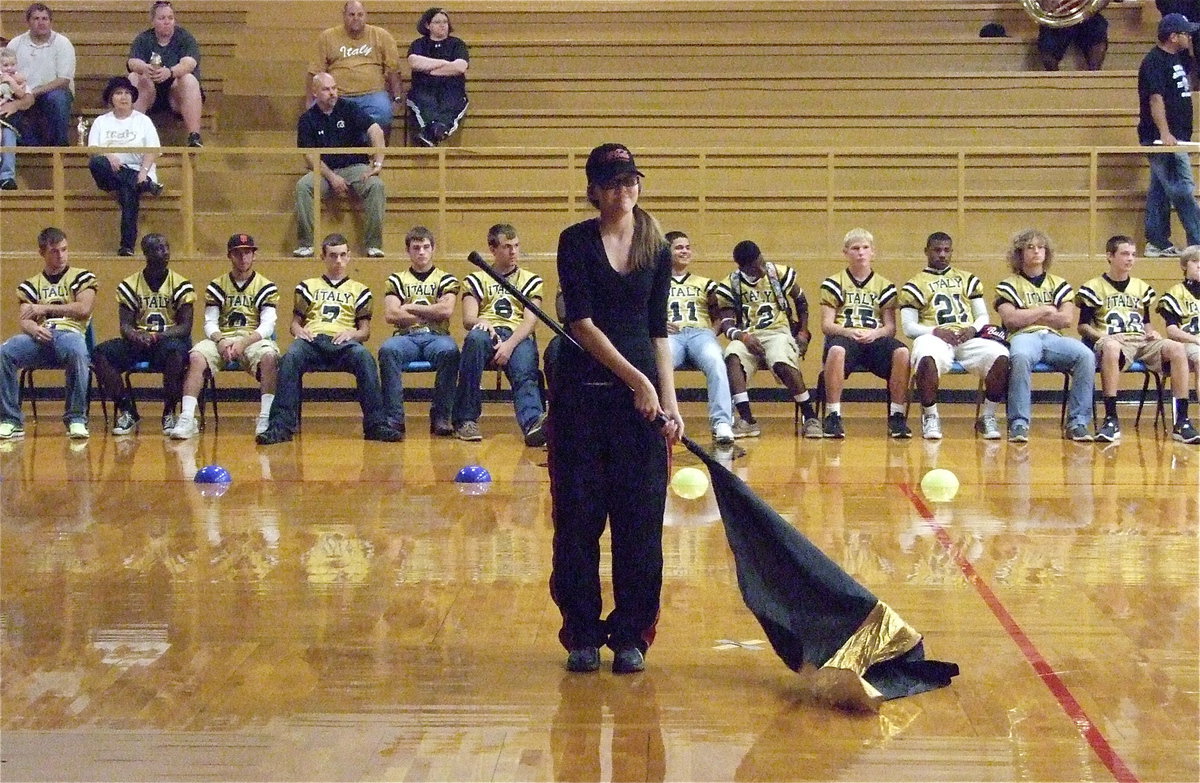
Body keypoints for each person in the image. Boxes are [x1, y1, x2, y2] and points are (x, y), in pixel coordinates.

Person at [549, 143, 682, 675]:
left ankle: (632, 634)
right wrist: (635, 380)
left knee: (640, 525)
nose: (625, 190)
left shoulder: (657, 247)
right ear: (594, 191)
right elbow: (579, 322)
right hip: (581, 397)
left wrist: (667, 400)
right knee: (578, 521)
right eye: (614, 183)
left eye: (631, 181)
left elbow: (658, 330)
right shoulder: (575, 242)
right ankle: (581, 632)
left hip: (641, 409)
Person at [256, 234, 403, 445]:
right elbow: (294, 323)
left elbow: (365, 331)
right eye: (333, 256)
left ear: (349, 256)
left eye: (343, 255)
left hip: (344, 343)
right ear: (323, 257)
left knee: (364, 357)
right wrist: (299, 331)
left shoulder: (359, 290)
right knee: (290, 357)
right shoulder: (307, 286)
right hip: (313, 341)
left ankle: (376, 425)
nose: (338, 261)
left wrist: (352, 334)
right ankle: (281, 426)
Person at [1077, 234, 1199, 443]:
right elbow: (1083, 326)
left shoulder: (1141, 287)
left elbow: (1145, 322)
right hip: (1112, 339)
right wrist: (1104, 336)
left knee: (1177, 349)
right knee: (1112, 347)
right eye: (1125, 254)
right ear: (1109, 256)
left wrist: (1152, 332)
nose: (1130, 259)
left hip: (1141, 340)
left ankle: (1182, 421)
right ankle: (1111, 418)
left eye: (1133, 254)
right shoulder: (1093, 287)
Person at [168, 233, 280, 440]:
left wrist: (244, 342)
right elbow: (210, 322)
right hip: (223, 338)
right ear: (230, 256)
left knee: (269, 357)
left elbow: (267, 325)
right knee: (196, 357)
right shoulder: (217, 285)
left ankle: (266, 417)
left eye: (247, 253)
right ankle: (187, 417)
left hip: (253, 339)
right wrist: (220, 340)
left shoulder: (266, 286)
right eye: (238, 253)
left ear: (254, 255)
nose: (243, 258)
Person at [899, 232, 1010, 440]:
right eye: (937, 250)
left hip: (966, 336)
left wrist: (973, 330)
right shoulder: (914, 285)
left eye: (946, 250)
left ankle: (988, 416)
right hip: (934, 335)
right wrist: (934, 331)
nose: (942, 254)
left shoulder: (967, 279)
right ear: (926, 251)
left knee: (1001, 355)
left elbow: (983, 316)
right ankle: (930, 416)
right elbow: (908, 328)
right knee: (926, 356)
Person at [995, 229, 1095, 443]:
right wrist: (1044, 310)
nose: (1036, 252)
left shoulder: (1059, 283)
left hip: (1053, 338)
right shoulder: (1008, 284)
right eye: (1030, 247)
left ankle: (1078, 422)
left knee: (1086, 355)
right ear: (1019, 253)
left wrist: (1028, 314)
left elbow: (1066, 320)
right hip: (1022, 337)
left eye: (1040, 247)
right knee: (1020, 357)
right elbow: (1011, 320)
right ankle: (1019, 423)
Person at [713, 239, 819, 438]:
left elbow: (801, 301)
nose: (761, 268)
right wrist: (742, 337)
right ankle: (747, 419)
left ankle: (810, 415)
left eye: (761, 261)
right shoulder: (730, 284)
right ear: (743, 268)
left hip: (778, 331)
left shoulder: (777, 273)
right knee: (732, 356)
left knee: (781, 361)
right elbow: (726, 322)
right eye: (755, 267)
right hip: (748, 335)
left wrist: (803, 331)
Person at [453, 223, 548, 445]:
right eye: (507, 246)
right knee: (475, 339)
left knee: (525, 367)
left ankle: (533, 423)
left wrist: (509, 345)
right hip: (488, 333)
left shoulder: (530, 279)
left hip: (517, 334)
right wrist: (481, 321)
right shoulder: (477, 279)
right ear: (492, 249)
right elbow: (468, 319)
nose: (513, 251)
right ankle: (466, 419)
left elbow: (530, 322)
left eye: (516, 246)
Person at [92, 233, 194, 436]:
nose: (165, 253)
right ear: (146, 253)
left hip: (167, 342)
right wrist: (136, 335)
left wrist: (159, 336)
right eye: (158, 248)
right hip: (140, 343)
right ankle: (127, 410)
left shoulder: (181, 284)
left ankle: (169, 412)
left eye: (166, 247)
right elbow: (125, 325)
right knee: (100, 354)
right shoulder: (130, 285)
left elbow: (185, 327)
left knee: (175, 354)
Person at [0, 227, 95, 440]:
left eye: (64, 249)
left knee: (78, 350)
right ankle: (10, 419)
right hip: (40, 338)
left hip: (69, 333)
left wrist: (44, 309)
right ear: (42, 253)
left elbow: (83, 309)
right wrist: (33, 328)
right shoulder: (30, 285)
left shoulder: (82, 277)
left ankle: (76, 418)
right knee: (4, 352)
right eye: (54, 251)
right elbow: (25, 319)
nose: (60, 255)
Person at [817, 228, 911, 439]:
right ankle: (833, 415)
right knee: (837, 349)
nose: (860, 252)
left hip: (874, 339)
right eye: (855, 248)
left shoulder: (885, 285)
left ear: (873, 252)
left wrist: (875, 334)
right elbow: (826, 325)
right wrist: (849, 332)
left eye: (865, 248)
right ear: (845, 253)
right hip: (846, 336)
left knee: (902, 352)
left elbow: (890, 327)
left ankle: (896, 415)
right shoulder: (833, 283)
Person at [377, 226, 460, 437]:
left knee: (450, 352)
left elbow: (446, 310)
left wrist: (410, 307)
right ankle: (394, 418)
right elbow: (391, 315)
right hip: (406, 337)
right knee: (387, 350)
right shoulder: (396, 279)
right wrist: (431, 312)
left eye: (425, 247)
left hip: (437, 337)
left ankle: (441, 416)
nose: (421, 252)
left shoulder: (446, 279)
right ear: (408, 251)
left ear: (433, 249)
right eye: (416, 248)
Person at [293, 72, 386, 259]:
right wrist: (332, 177)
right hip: (324, 170)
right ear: (315, 92)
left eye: (334, 88)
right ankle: (307, 244)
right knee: (303, 186)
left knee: (376, 186)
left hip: (354, 167)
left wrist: (377, 162)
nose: (332, 93)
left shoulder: (349, 108)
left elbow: (375, 130)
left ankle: (373, 245)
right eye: (326, 89)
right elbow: (310, 156)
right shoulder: (307, 119)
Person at [662, 231, 735, 445]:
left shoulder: (705, 283)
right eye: (678, 247)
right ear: (666, 252)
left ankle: (722, 422)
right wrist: (656, 324)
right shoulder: (657, 282)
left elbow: (722, 314)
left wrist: (711, 333)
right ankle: (661, 419)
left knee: (715, 361)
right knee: (659, 365)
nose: (684, 251)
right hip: (669, 335)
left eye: (687, 247)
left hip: (699, 333)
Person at [1138, 13, 1200, 257]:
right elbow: (1155, 98)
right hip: (1163, 138)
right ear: (1173, 37)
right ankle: (1197, 241)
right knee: (1182, 188)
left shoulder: (1178, 59)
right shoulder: (1154, 61)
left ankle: (1157, 241)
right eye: (1185, 33)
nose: (1190, 36)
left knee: (1160, 190)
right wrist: (1165, 134)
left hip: (1178, 137)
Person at [86, 75, 163, 256]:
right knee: (96, 162)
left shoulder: (143, 120)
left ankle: (127, 246)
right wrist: (108, 155)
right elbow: (92, 150)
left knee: (128, 190)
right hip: (108, 173)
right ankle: (141, 184)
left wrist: (143, 172)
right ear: (111, 98)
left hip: (140, 171)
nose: (124, 97)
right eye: (118, 93)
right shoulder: (101, 121)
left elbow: (153, 150)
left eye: (127, 93)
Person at [309, 1, 402, 137]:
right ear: (344, 16)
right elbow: (314, 71)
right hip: (337, 95)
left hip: (373, 94)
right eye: (351, 14)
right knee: (316, 115)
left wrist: (397, 97)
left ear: (366, 16)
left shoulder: (381, 35)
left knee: (384, 113)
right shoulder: (327, 37)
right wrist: (310, 101)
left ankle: (375, 155)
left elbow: (394, 69)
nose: (356, 18)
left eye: (360, 14)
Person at [126, 0, 204, 147]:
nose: (167, 22)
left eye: (170, 18)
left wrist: (170, 72)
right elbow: (132, 62)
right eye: (162, 18)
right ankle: (133, 135)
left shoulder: (185, 38)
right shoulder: (143, 39)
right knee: (134, 77)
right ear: (153, 21)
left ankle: (194, 136)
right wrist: (145, 68)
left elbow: (189, 63)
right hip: (151, 94)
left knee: (189, 79)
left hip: (176, 94)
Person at [6, 3, 74, 147]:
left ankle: (59, 147)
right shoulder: (15, 44)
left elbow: (63, 80)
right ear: (28, 22)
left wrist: (33, 93)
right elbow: (5, 72)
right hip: (21, 93)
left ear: (50, 21)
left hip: (51, 93)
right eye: (36, 18)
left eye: (45, 18)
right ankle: (29, 147)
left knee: (58, 98)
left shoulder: (63, 44)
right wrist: (22, 95)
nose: (41, 22)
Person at [405, 7, 469, 146]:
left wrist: (430, 69)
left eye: (445, 22)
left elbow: (460, 67)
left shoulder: (457, 44)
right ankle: (433, 131)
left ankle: (433, 132)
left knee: (453, 102)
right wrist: (445, 63)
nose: (442, 25)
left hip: (452, 89)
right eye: (437, 22)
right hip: (424, 88)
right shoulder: (419, 44)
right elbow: (414, 62)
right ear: (427, 25)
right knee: (423, 101)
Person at [1036, 10, 1107, 71]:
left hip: (1085, 13)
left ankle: (1094, 77)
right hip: (1057, 16)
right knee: (1047, 43)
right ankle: (1055, 80)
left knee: (1098, 28)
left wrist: (1092, 9)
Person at [0, 47, 28, 190]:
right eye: (5, 65)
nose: (9, 68)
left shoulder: (19, 79)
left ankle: (7, 177)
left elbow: (23, 95)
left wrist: (11, 81)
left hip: (10, 117)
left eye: (12, 64)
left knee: (8, 137)